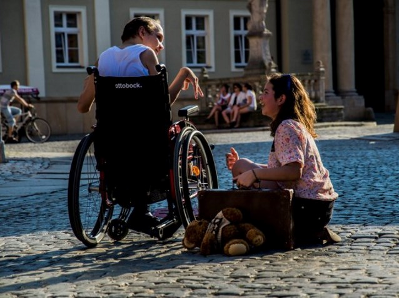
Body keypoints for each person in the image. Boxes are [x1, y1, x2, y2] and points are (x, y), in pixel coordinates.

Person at [77, 16, 204, 234]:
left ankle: (135, 207)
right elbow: (162, 104)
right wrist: (183, 73)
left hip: (112, 140)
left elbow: (83, 106)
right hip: (148, 141)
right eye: (159, 37)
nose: (161, 45)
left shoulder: (102, 60)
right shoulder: (146, 54)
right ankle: (141, 211)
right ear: (143, 32)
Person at [225, 73, 341, 245]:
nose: (260, 97)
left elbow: (294, 171)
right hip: (318, 207)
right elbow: (282, 168)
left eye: (265, 92)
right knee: (242, 166)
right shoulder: (293, 125)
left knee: (244, 168)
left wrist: (253, 174)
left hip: (306, 207)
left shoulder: (286, 127)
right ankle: (310, 230)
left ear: (281, 99)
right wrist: (250, 171)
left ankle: (265, 231)